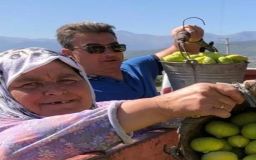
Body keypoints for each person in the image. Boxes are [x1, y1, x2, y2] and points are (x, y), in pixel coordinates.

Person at [0, 48, 245, 160]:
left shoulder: (97, 109)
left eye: (67, 79)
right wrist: (166, 104)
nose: (55, 90)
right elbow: (12, 149)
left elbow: (153, 115)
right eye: (29, 84)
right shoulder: (5, 126)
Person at [56, 21, 206, 101]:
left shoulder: (137, 67)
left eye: (115, 47)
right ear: (69, 55)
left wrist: (191, 35)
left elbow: (181, 49)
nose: (109, 53)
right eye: (95, 49)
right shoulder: (74, 93)